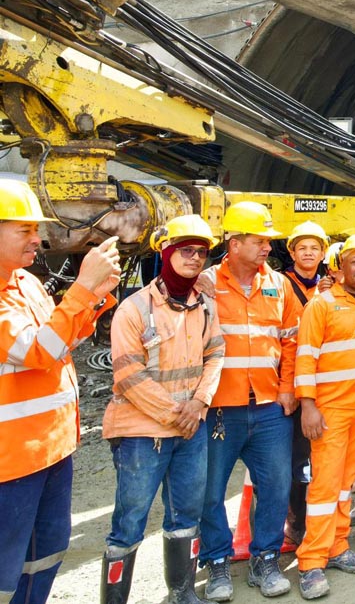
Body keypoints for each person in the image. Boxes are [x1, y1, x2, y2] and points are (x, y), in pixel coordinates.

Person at [0, 179, 120, 604]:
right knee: (5, 565)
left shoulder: (26, 284)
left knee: (45, 554)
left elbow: (61, 340)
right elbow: (37, 350)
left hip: (51, 450)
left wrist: (97, 299)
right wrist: (83, 286)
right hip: (10, 463)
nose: (38, 240)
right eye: (24, 231)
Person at [101, 215, 223, 604]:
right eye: (186, 251)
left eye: (201, 252)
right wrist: (179, 414)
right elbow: (128, 375)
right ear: (167, 253)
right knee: (130, 522)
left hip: (190, 429)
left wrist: (201, 401)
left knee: (186, 514)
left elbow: (215, 354)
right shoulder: (134, 308)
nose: (194, 258)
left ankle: (182, 593)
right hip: (142, 433)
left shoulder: (204, 306)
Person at [198, 201, 301, 601]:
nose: (266, 247)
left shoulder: (278, 284)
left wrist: (288, 386)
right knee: (210, 490)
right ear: (234, 241)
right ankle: (218, 560)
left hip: (270, 405)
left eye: (267, 240)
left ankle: (265, 557)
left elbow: (292, 340)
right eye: (259, 240)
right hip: (220, 408)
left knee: (275, 485)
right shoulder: (205, 283)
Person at [294, 232, 355, 599]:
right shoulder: (321, 305)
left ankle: (337, 547)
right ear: (341, 266)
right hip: (330, 410)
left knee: (345, 483)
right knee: (324, 486)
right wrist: (308, 405)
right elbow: (305, 357)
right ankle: (311, 562)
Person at [281, 221, 331, 547]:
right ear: (293, 252)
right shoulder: (281, 284)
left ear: (323, 252)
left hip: (320, 382)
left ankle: (308, 521)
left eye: (314, 248)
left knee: (314, 458)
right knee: (293, 458)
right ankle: (293, 522)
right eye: (303, 248)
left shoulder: (329, 288)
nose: (309, 253)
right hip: (289, 383)